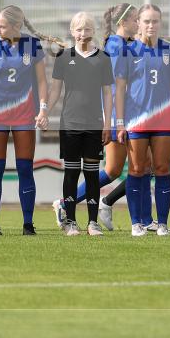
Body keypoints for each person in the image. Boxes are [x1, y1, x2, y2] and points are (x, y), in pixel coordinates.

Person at [52, 3, 139, 231]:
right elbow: (114, 88)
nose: (138, 24)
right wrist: (113, 121)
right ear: (123, 22)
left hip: (130, 116)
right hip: (111, 118)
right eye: (135, 20)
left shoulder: (123, 47)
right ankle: (67, 207)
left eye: (87, 29)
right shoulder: (115, 46)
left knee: (140, 168)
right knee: (118, 170)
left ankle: (113, 210)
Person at [115, 4, 170, 237]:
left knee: (162, 169)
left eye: (155, 21)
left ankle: (162, 223)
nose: (150, 25)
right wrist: (119, 122)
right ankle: (137, 223)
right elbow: (119, 89)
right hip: (136, 120)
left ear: (160, 23)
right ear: (137, 23)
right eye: (146, 21)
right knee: (136, 169)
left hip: (164, 120)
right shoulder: (128, 51)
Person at [39, 12, 113, 236]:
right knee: (71, 173)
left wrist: (107, 123)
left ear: (93, 32)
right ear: (72, 32)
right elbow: (55, 91)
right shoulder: (63, 57)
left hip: (94, 124)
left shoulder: (103, 58)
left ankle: (92, 223)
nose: (83, 34)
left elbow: (108, 93)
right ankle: (70, 221)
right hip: (70, 123)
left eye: (88, 29)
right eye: (79, 30)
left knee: (91, 174)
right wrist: (44, 112)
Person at [0, 5, 53, 235]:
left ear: (16, 26)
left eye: (1, 25)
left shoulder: (32, 45)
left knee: (25, 169)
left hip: (24, 115)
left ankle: (28, 225)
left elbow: (42, 80)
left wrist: (42, 109)